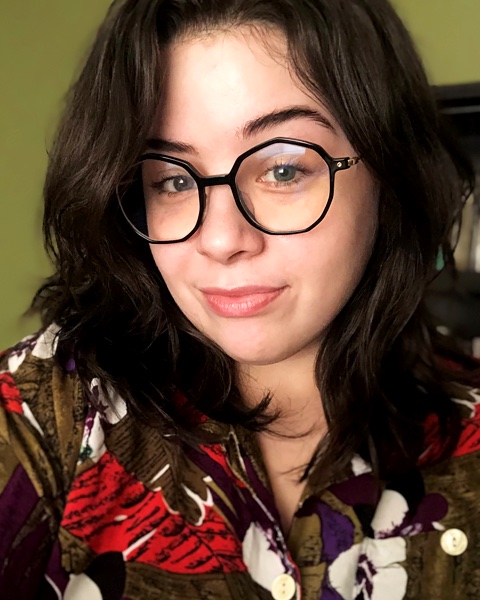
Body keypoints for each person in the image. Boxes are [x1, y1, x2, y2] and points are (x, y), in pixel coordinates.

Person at [0, 0, 479, 598]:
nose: (223, 240)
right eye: (173, 180)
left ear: (390, 169)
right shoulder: (42, 419)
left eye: (282, 169)